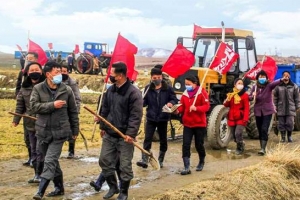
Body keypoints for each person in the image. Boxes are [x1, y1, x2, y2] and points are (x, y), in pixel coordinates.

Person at [30, 61, 79, 199]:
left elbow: (73, 112)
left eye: (61, 71)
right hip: (43, 132)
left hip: (60, 132)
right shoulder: (38, 89)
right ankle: (59, 187)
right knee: (51, 161)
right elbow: (33, 107)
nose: (60, 74)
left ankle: (40, 191)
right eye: (57, 72)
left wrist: (75, 130)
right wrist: (52, 105)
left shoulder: (66, 90)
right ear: (48, 74)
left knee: (50, 160)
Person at [98, 62, 143, 200]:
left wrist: (130, 134)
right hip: (110, 134)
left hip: (125, 136)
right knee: (104, 160)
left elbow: (136, 116)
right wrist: (102, 126)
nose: (110, 76)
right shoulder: (110, 90)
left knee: (124, 165)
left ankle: (124, 192)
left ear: (120, 76)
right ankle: (113, 186)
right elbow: (104, 109)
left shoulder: (134, 93)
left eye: (112, 74)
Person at [136, 67, 177, 169]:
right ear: (151, 78)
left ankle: (160, 160)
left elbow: (174, 99)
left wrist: (170, 103)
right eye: (155, 78)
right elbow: (144, 103)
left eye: (159, 77)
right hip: (151, 117)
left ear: (161, 77)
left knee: (163, 139)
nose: (157, 79)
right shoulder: (148, 88)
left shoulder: (167, 88)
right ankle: (144, 159)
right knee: (147, 139)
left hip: (163, 117)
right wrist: (140, 102)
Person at [12, 62, 46, 184]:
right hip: (30, 124)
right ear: (27, 72)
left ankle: (46, 173)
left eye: (37, 69)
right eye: (31, 70)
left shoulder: (47, 85)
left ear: (41, 71)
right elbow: (20, 104)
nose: (34, 72)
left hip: (45, 124)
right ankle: (37, 174)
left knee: (42, 150)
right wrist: (16, 120)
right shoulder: (24, 87)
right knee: (34, 149)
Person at [175, 75, 210, 175]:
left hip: (199, 124)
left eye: (188, 84)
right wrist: (177, 110)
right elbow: (182, 106)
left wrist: (196, 108)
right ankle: (186, 167)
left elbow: (206, 107)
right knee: (186, 144)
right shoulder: (185, 94)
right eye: (186, 84)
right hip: (188, 124)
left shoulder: (202, 92)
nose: (187, 86)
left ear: (195, 83)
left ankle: (201, 160)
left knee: (199, 144)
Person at [249, 70, 284, 155]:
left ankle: (263, 149)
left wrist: (281, 79)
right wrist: (252, 96)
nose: (262, 78)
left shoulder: (269, 86)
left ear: (266, 78)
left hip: (267, 111)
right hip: (257, 111)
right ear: (257, 78)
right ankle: (262, 147)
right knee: (260, 129)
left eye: (263, 77)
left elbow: (275, 83)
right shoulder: (255, 87)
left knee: (264, 128)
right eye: (260, 77)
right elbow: (249, 98)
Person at [15, 52, 39, 167]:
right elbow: (19, 88)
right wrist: (16, 118)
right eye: (27, 59)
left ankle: (40, 165)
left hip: (42, 119)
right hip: (28, 116)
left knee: (40, 145)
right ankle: (32, 159)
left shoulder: (44, 81)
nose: (28, 60)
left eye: (31, 59)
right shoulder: (23, 75)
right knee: (28, 140)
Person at [223, 78, 249, 155]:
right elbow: (226, 105)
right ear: (235, 85)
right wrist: (227, 100)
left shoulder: (244, 95)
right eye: (239, 83)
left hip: (241, 117)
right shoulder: (231, 95)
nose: (240, 85)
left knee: (238, 133)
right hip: (232, 117)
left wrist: (245, 118)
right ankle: (241, 143)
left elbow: (247, 108)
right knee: (234, 135)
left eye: (241, 83)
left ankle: (239, 148)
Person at [273, 71, 300, 142]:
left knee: (290, 123)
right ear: (282, 77)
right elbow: (275, 97)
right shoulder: (278, 86)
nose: (286, 76)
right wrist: (274, 106)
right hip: (281, 107)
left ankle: (289, 136)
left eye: (287, 75)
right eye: (284, 75)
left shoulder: (294, 86)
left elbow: (297, 97)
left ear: (289, 76)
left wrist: (298, 106)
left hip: (291, 107)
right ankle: (283, 137)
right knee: (281, 123)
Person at [61, 64, 82, 158]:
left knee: (72, 132)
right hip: (58, 112)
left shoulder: (72, 83)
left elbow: (77, 98)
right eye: (60, 71)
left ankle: (71, 151)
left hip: (70, 111)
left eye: (64, 71)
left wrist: (75, 111)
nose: (62, 73)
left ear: (68, 72)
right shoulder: (54, 82)